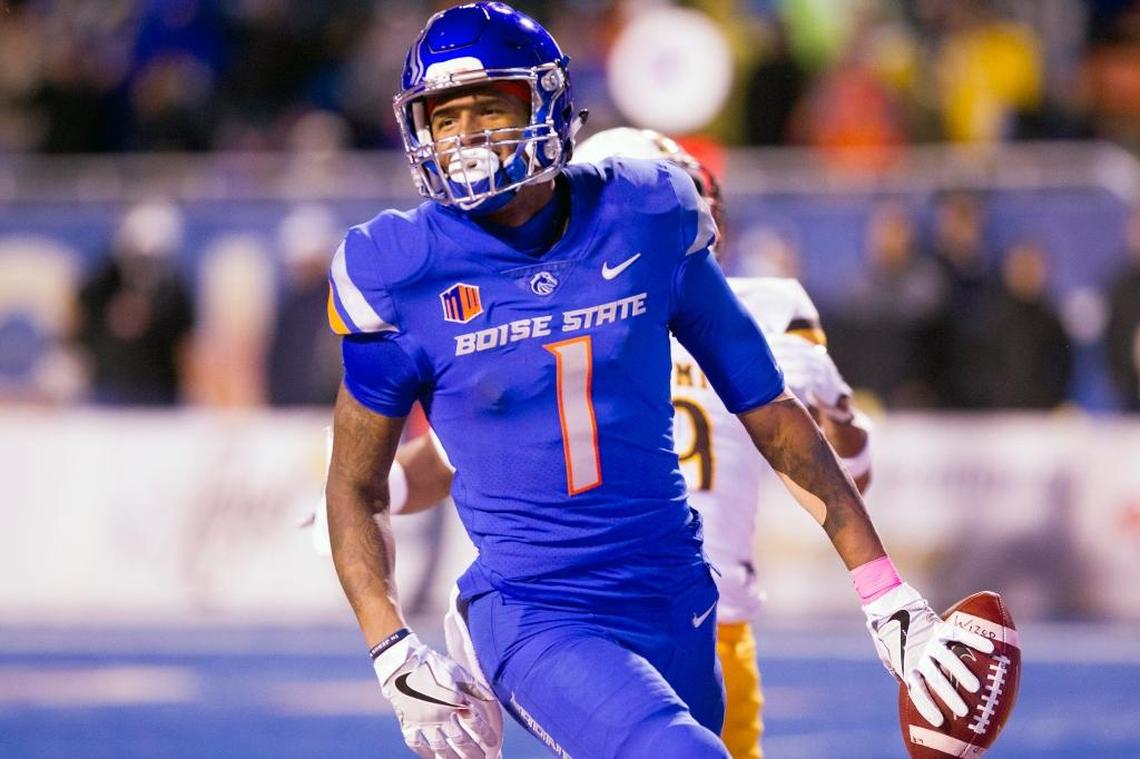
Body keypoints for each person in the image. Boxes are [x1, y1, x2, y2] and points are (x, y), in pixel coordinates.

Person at [322, 4, 993, 759]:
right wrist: (392, 651)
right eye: (445, 119)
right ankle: (483, 638)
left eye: (489, 106)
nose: (467, 135)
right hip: (536, 606)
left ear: (544, 104)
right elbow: (354, 484)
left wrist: (887, 596)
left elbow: (769, 412)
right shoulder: (400, 267)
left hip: (676, 591)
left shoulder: (645, 212)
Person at [370, 127, 874, 759]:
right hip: (583, 596)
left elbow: (844, 466)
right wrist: (369, 490)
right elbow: (468, 453)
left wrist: (838, 414)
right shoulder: (574, 313)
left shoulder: (761, 308)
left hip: (698, 606)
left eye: (691, 189)